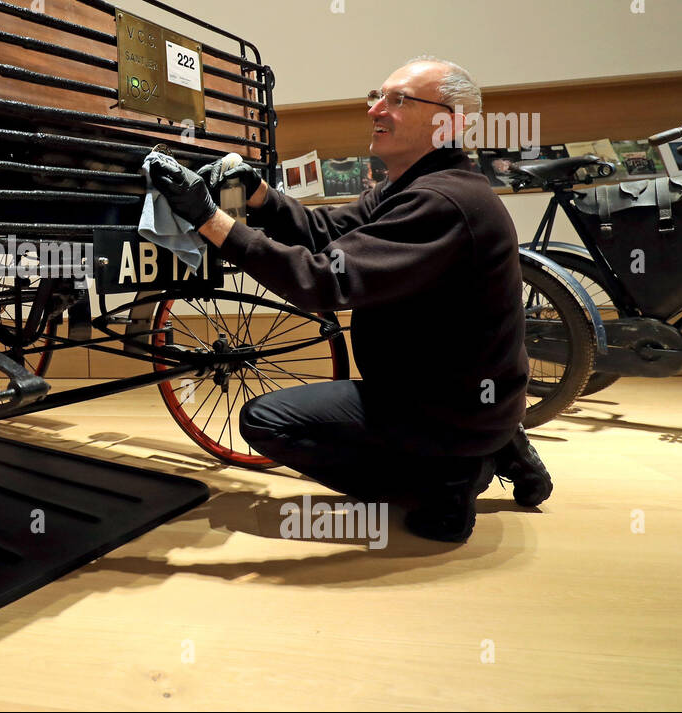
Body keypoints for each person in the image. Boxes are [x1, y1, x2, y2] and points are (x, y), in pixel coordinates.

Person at [148, 56, 552, 543]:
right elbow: (324, 233)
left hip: (443, 408)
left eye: (398, 100)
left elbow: (321, 281)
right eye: (376, 96)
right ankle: (498, 443)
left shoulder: (440, 203)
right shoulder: (413, 186)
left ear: (450, 123)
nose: (375, 110)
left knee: (267, 422)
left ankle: (445, 483)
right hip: (466, 397)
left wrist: (210, 220)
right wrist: (255, 194)